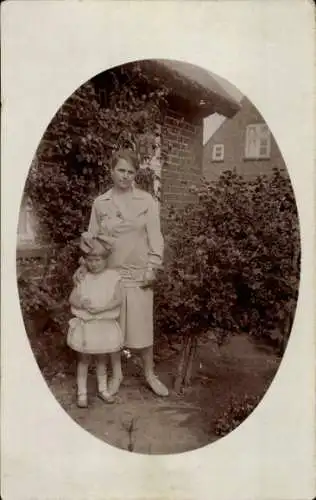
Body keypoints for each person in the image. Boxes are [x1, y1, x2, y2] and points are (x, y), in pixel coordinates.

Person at [82, 148, 169, 397]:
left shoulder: (147, 202)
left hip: (140, 274)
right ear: (111, 171)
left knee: (143, 327)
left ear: (136, 174)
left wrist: (153, 267)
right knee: (113, 329)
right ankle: (116, 375)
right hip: (110, 275)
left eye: (131, 172)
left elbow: (156, 238)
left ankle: (149, 374)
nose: (126, 176)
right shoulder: (100, 203)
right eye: (121, 170)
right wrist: (84, 269)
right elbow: (92, 241)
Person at [67, 232, 124, 408]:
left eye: (98, 260)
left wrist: (102, 308)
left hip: (103, 324)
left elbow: (118, 299)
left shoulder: (113, 277)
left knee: (101, 359)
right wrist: (82, 303)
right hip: (87, 326)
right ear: (85, 260)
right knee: (83, 360)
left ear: (106, 259)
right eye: (90, 260)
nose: (94, 264)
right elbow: (72, 298)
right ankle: (82, 393)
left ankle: (103, 389)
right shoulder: (83, 277)